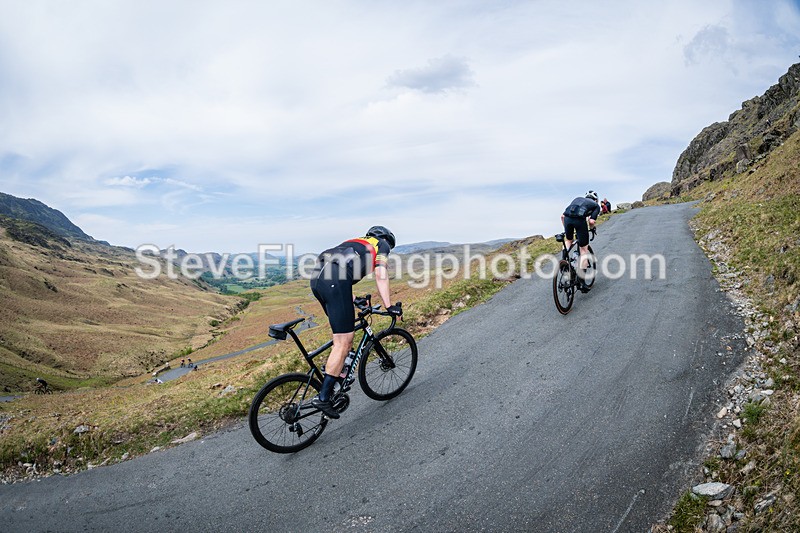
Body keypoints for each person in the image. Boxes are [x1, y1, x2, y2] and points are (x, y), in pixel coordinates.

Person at [309, 226, 402, 418]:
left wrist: (354, 300)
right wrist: (389, 306)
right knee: (343, 342)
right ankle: (324, 397)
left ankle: (336, 375)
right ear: (386, 239)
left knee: (343, 336)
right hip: (334, 281)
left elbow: (339, 272)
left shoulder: (355, 243)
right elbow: (380, 274)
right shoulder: (381, 244)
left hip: (317, 279)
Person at [561, 191, 601, 291]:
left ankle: (564, 261)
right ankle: (582, 281)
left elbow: (562, 216)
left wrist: (566, 230)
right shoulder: (595, 205)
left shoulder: (577, 199)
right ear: (596, 200)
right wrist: (592, 228)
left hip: (567, 219)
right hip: (579, 220)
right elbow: (591, 221)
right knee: (583, 250)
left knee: (569, 240)